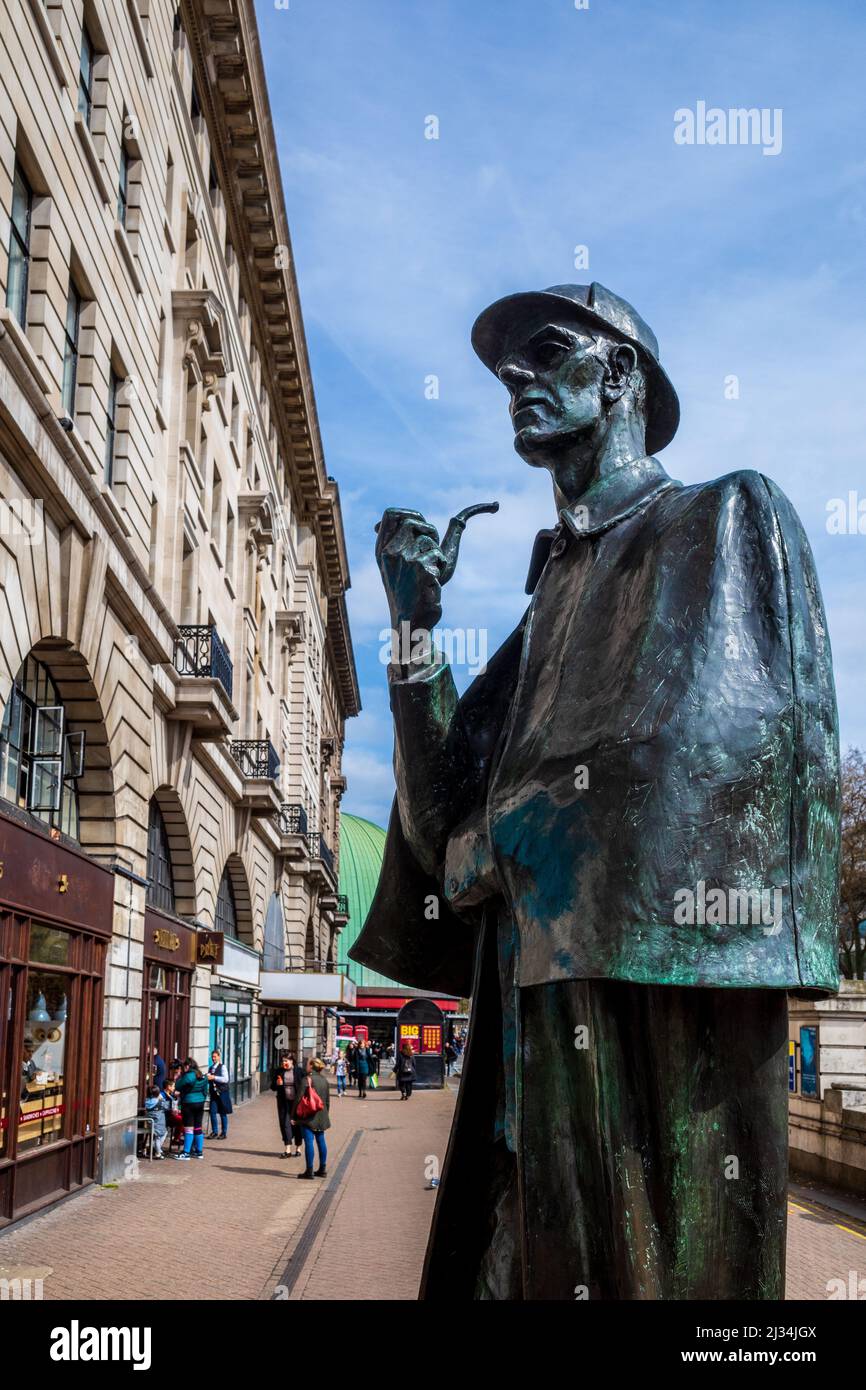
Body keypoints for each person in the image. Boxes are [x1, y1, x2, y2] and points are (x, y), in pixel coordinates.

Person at [294, 1057, 330, 1179]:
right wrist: (325, 1115)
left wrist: (294, 1116)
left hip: (308, 1117)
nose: (306, 1066)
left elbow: (298, 1099)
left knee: (309, 1142)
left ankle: (309, 1171)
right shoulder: (324, 1080)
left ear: (311, 1066)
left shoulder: (306, 1080)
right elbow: (327, 1101)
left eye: (307, 1064)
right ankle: (322, 1169)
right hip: (321, 1115)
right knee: (321, 1141)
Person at [175, 1057, 209, 1161]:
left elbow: (178, 1086)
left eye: (184, 1066)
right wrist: (201, 1098)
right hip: (200, 1103)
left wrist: (179, 1076)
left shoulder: (188, 1075)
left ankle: (186, 1152)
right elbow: (205, 1090)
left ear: (187, 1066)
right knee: (198, 1127)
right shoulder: (202, 1075)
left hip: (189, 1103)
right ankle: (199, 1152)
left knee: (188, 1128)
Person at [271, 1052, 303, 1156]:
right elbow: (272, 1087)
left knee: (297, 1124)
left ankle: (298, 1147)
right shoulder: (279, 1071)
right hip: (283, 1102)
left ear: (292, 1061)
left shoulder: (299, 1071)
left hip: (297, 1103)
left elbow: (305, 1086)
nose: (284, 1063)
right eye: (283, 1061)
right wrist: (277, 1084)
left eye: (286, 1061)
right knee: (285, 1124)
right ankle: (288, 1148)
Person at [206, 1049, 232, 1139]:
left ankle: (224, 1133)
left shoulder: (223, 1067)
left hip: (222, 1093)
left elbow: (225, 1079)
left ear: (219, 1057)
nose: (213, 1058)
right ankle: (214, 1131)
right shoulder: (210, 1068)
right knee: (212, 1113)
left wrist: (214, 1077)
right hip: (213, 1094)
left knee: (222, 1113)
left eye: (215, 1056)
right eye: (212, 1057)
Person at [144, 1085, 170, 1159]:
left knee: (155, 1137)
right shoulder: (160, 1101)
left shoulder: (147, 1101)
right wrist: (162, 1098)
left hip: (150, 1122)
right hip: (159, 1122)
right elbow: (167, 1107)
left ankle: (155, 1148)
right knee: (160, 1136)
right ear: (158, 1093)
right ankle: (158, 1152)